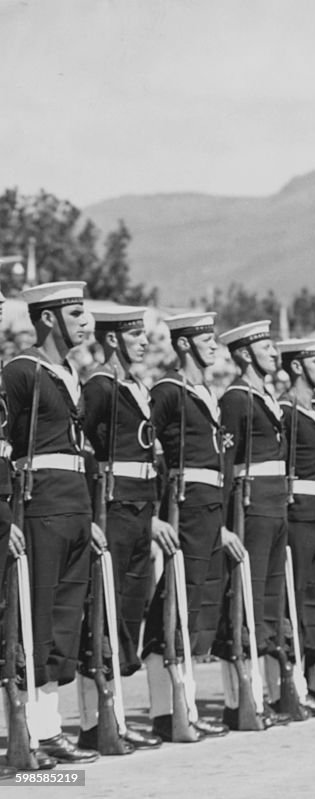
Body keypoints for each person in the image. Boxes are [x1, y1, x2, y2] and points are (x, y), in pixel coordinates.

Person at [2, 281, 103, 764]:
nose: (86, 322)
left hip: (75, 504)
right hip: (39, 505)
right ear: (48, 318)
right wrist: (5, 517)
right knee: (36, 621)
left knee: (65, 621)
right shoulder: (21, 371)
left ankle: (50, 731)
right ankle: (30, 738)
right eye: (76, 313)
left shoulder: (68, 372)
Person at [79, 306, 166, 752]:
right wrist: (91, 516)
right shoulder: (99, 386)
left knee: (129, 613)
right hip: (110, 509)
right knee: (102, 616)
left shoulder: (137, 388)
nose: (143, 342)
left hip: (139, 511)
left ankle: (115, 718)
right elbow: (85, 448)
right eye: (134, 335)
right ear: (113, 339)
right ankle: (95, 722)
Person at [143, 311, 233, 742]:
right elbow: (137, 449)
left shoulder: (205, 394)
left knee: (195, 607)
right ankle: (167, 712)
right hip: (185, 507)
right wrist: (153, 515)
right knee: (173, 605)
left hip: (209, 507)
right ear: (184, 345)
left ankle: (187, 709)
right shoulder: (167, 392)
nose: (214, 345)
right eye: (206, 338)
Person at [213, 320, 293, 729]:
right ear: (244, 354)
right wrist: (224, 525)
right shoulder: (236, 400)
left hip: (274, 506)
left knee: (268, 603)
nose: (275, 354)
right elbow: (226, 467)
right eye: (267, 348)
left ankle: (263, 694)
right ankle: (239, 700)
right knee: (245, 600)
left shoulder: (266, 397)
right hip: (250, 505)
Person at [277, 338, 315, 717]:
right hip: (299, 512)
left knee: (313, 597)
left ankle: (312, 685)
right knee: (296, 597)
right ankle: (293, 686)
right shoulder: (287, 411)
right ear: (297, 366)